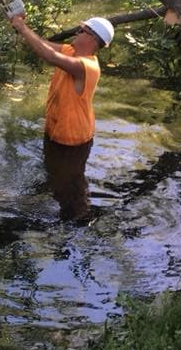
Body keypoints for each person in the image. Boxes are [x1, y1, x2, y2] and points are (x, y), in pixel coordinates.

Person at [8, 12, 115, 220]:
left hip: (73, 139)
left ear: (92, 39)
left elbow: (49, 57)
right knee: (56, 174)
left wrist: (22, 28)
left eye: (82, 30)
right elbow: (44, 46)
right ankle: (61, 198)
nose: (77, 31)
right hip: (56, 131)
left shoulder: (88, 66)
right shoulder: (71, 51)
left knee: (72, 184)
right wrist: (22, 25)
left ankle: (78, 217)